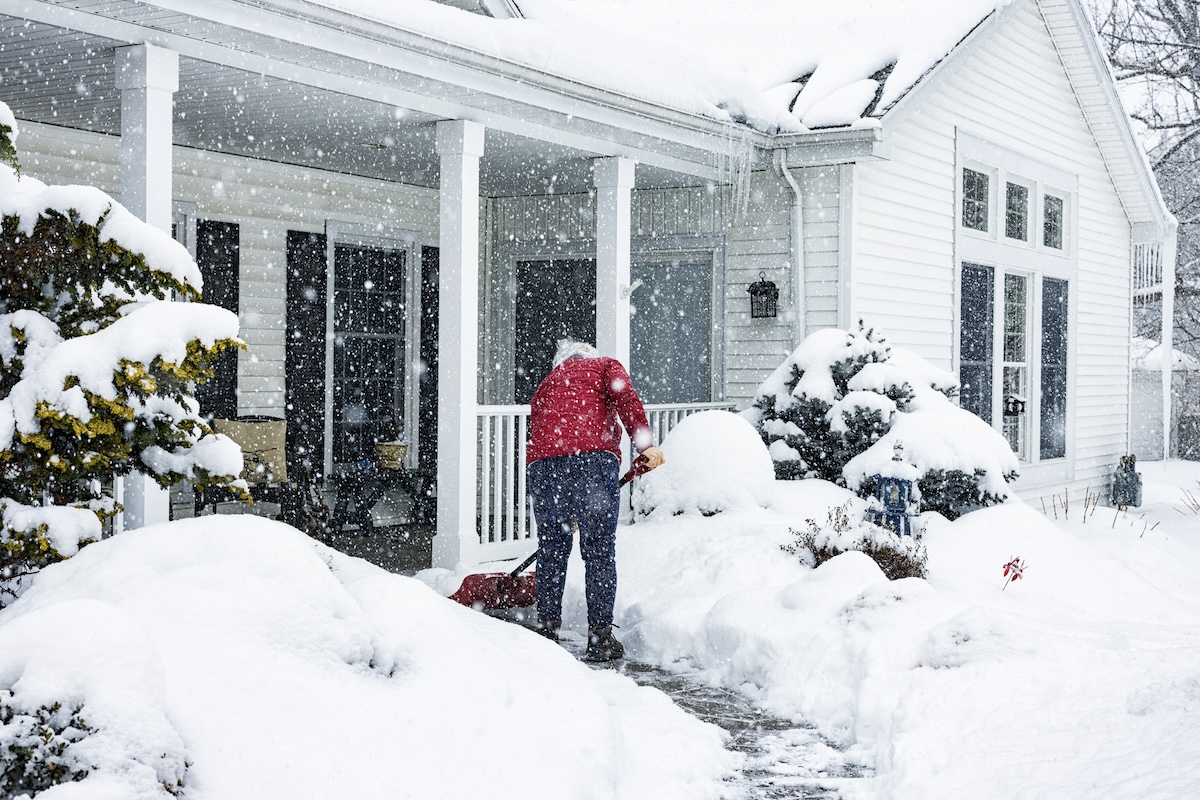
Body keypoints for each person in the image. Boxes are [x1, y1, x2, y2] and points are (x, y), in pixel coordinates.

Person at [526, 339, 665, 662]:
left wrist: (560, 489)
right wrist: (645, 447)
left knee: (552, 548)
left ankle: (546, 629)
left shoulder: (547, 382)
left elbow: (540, 429)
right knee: (598, 550)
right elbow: (627, 400)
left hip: (544, 468)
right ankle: (600, 637)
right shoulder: (604, 366)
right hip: (592, 463)